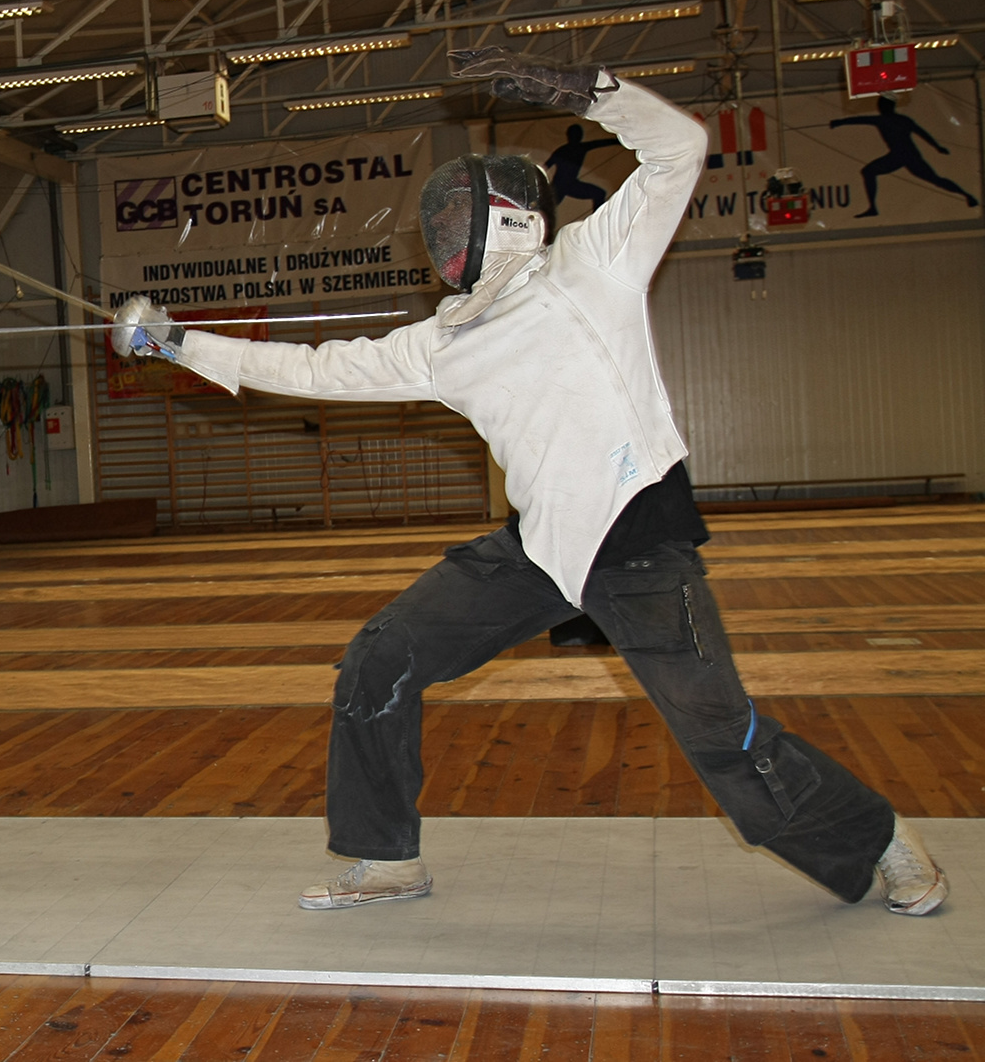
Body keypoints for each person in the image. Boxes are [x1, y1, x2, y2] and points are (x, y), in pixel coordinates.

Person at [113, 49, 948, 917]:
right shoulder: (443, 342)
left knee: (721, 737)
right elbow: (316, 369)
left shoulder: (594, 264)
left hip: (638, 547)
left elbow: (680, 149)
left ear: (504, 219)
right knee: (381, 657)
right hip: (542, 549)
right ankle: (386, 859)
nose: (441, 242)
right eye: (436, 227)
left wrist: (595, 91)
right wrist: (180, 343)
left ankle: (883, 842)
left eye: (452, 222)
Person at [828, 94, 979, 217]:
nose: (880, 108)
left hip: (907, 155)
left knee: (934, 179)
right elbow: (860, 120)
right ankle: (872, 208)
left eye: (882, 105)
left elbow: (922, 133)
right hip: (899, 155)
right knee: (869, 171)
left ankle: (967, 195)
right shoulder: (898, 120)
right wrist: (937, 147)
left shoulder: (888, 120)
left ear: (887, 107)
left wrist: (937, 147)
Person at [543, 122, 621, 212]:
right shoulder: (563, 150)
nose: (577, 137)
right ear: (570, 136)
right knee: (547, 209)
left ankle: (597, 218)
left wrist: (617, 141)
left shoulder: (579, 148)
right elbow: (545, 166)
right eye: (575, 135)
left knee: (599, 194)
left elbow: (598, 143)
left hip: (571, 184)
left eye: (578, 135)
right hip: (559, 185)